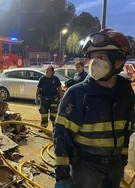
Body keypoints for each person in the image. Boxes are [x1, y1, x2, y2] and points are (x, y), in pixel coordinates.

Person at [53, 29, 134, 188]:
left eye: (101, 57)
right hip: (86, 169)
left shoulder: (125, 93)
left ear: (118, 61)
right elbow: (61, 136)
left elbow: (127, 130)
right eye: (93, 57)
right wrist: (62, 176)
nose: (95, 63)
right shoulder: (77, 94)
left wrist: (121, 162)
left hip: (114, 167)